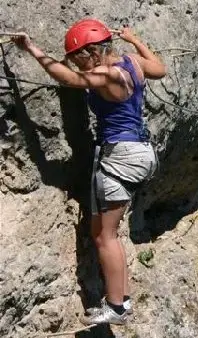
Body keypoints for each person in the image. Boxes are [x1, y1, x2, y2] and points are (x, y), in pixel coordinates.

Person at [11, 18, 166, 325]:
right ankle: (122, 298)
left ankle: (117, 307)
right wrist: (134, 40)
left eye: (79, 58)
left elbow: (67, 78)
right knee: (109, 233)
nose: (78, 64)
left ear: (93, 53)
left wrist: (30, 47)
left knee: (103, 236)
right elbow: (159, 69)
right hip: (142, 153)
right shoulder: (132, 62)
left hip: (118, 156)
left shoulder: (106, 73)